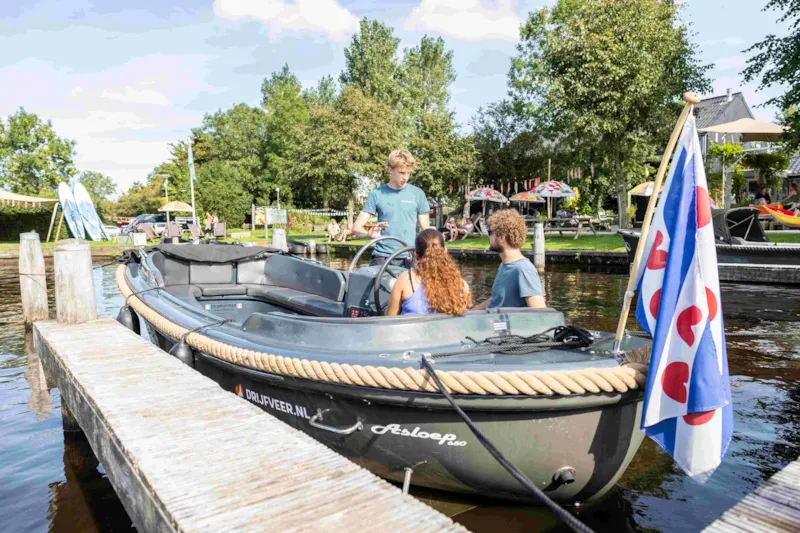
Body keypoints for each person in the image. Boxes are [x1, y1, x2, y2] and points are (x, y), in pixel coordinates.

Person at [352, 150, 430, 267]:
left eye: (408, 173)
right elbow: (356, 228)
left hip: (409, 257)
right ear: (390, 169)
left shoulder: (418, 194)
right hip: (382, 257)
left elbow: (426, 231)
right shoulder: (376, 194)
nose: (405, 177)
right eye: (401, 172)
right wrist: (368, 234)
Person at [387, 229, 472, 316]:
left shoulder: (406, 280)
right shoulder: (462, 285)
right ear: (445, 252)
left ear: (416, 256)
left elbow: (390, 319)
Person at [473, 209, 546, 310]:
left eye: (490, 232)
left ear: (502, 237)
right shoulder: (504, 265)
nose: (488, 236)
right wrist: (471, 312)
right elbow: (496, 299)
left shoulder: (524, 270)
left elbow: (539, 313)